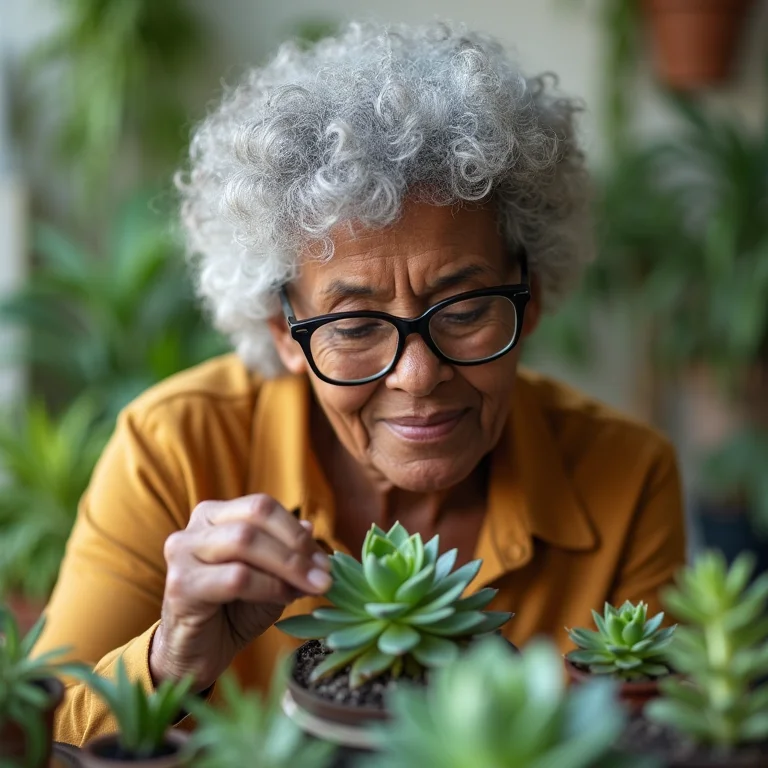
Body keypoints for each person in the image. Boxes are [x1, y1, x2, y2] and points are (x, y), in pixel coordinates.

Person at [36, 21, 685, 745]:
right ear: (284, 332)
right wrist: (172, 661)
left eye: (465, 308)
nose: (418, 374)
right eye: (353, 326)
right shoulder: (174, 448)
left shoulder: (628, 477)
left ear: (528, 298)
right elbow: (34, 737)